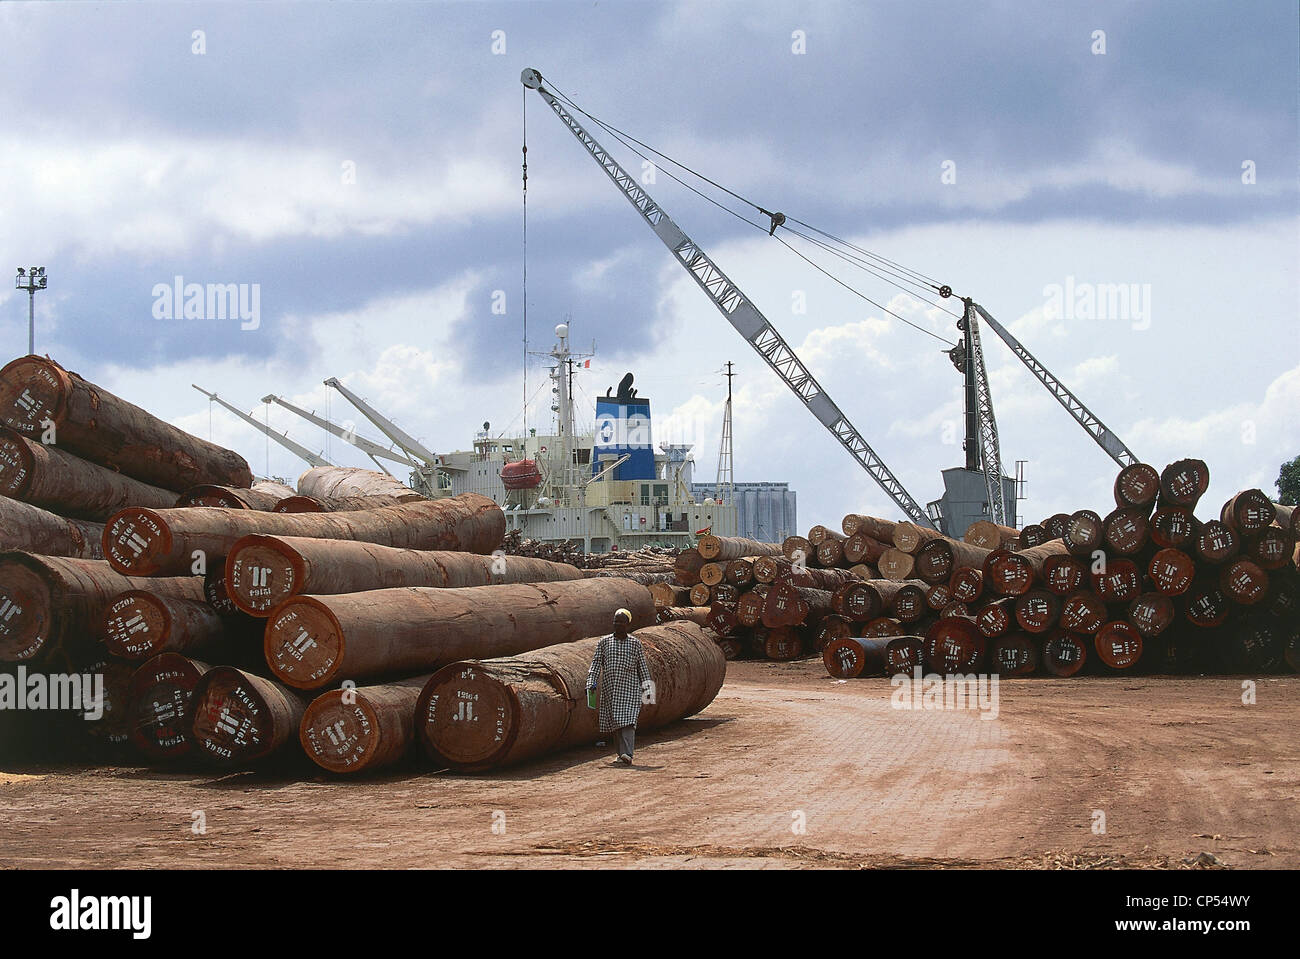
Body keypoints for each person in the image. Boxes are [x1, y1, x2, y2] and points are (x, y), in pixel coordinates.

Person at [586, 608, 651, 766]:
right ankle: (621, 754)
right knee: (616, 721)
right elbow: (595, 665)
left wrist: (648, 691)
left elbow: (642, 668)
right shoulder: (604, 642)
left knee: (628, 721)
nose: (618, 625)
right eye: (616, 622)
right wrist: (591, 683)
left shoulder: (635, 644)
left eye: (621, 622)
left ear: (628, 624)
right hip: (611, 689)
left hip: (630, 689)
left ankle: (628, 754)